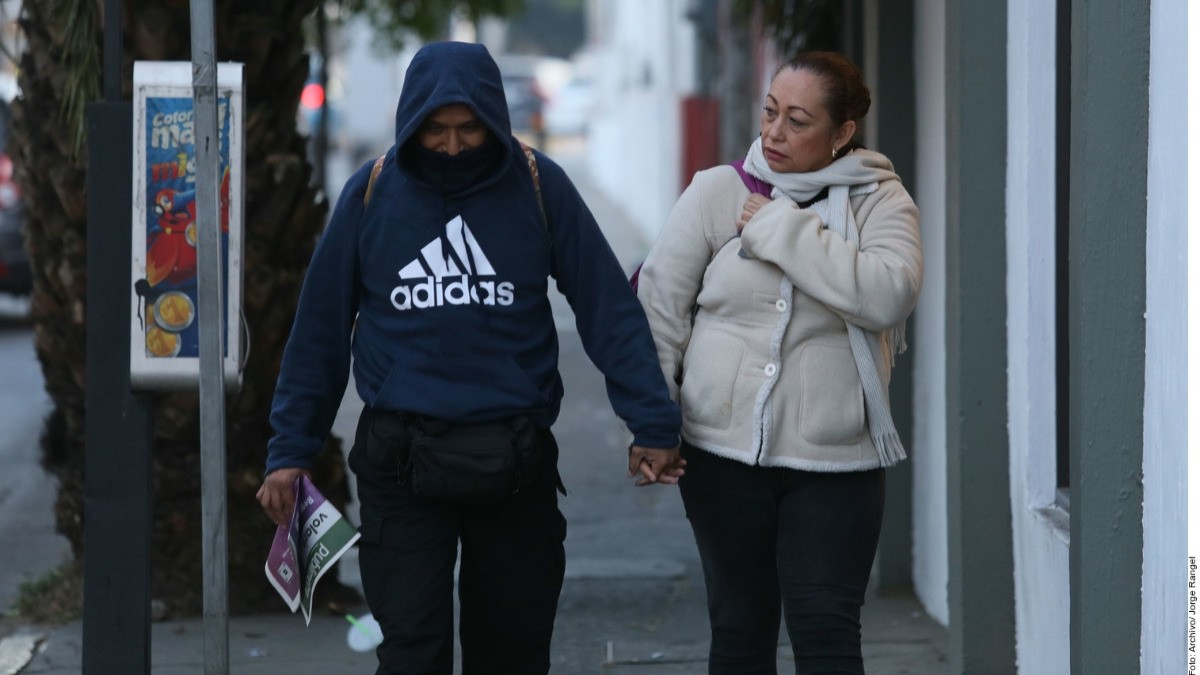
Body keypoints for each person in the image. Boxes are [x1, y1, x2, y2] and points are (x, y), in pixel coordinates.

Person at [257, 41, 683, 674]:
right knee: (411, 653)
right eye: (435, 131)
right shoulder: (371, 193)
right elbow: (319, 331)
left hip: (514, 462)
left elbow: (606, 308)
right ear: (411, 124)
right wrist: (290, 450)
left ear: (494, 121)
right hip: (401, 464)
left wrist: (651, 421)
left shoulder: (539, 185)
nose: (453, 146)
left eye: (468, 130)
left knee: (511, 652)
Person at [635, 51, 923, 673]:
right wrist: (653, 423)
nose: (773, 133)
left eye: (798, 120)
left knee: (827, 636)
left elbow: (888, 293)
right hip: (721, 452)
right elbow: (660, 308)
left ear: (842, 133)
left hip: (837, 459)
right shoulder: (718, 190)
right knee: (739, 630)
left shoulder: (880, 200)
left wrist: (779, 231)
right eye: (770, 112)